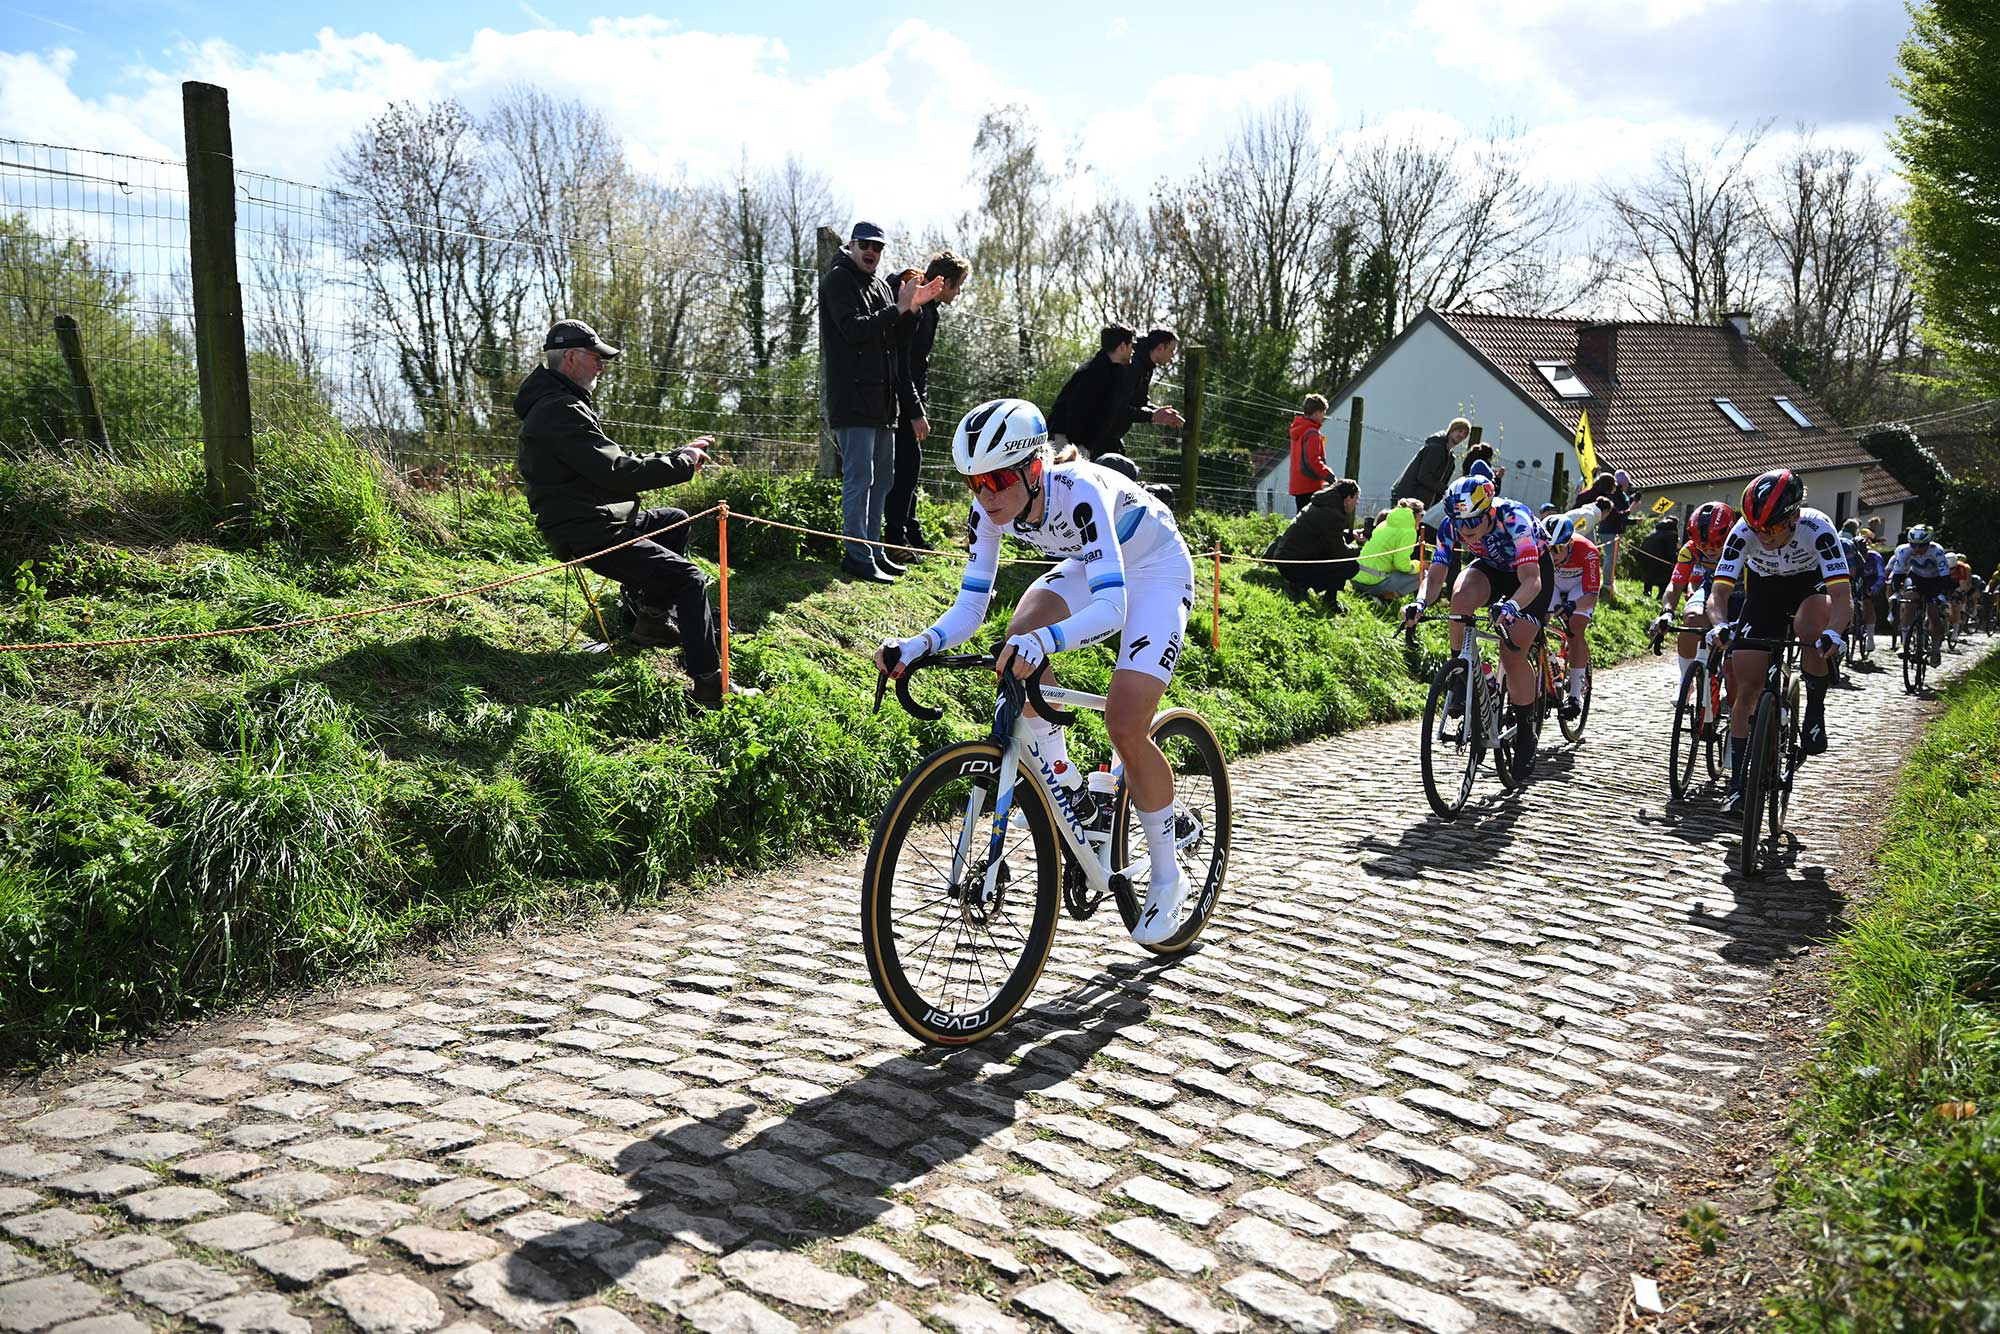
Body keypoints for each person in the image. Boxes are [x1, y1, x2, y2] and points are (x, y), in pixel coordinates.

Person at [876, 398, 1199, 946]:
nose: (985, 496)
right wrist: (918, 644)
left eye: (998, 480)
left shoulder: (1080, 493)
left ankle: (1169, 877)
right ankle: (1069, 788)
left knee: (1124, 724)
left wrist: (1047, 640)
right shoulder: (989, 510)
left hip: (1156, 570)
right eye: (973, 483)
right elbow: (971, 607)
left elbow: (1115, 607)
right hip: (1093, 564)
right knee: (1016, 645)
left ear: (1033, 468)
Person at [514, 319, 751, 706]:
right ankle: (711, 685)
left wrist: (676, 458)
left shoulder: (562, 403)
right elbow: (616, 470)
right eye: (596, 358)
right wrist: (682, 464)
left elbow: (611, 465)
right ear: (571, 357)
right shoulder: (559, 411)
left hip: (599, 516)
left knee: (674, 520)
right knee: (690, 578)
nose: (601, 366)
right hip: (589, 531)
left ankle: (652, 622)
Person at [1706, 469, 1852, 812]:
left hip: (1809, 587)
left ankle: (1815, 706)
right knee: (1746, 686)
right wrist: (1720, 624)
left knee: (1810, 630)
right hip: (1765, 590)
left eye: (1771, 528)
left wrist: (1835, 632)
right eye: (1758, 528)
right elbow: (1719, 593)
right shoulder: (1743, 532)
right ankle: (1739, 781)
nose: (1764, 536)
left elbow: (1842, 595)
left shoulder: (1818, 529)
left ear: (1794, 516)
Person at [1401, 474, 1553, 781]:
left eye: (1473, 523)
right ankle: (1462, 674)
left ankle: (1526, 731)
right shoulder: (1453, 524)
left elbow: (1531, 580)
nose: (1466, 531)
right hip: (1492, 569)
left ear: (1489, 512)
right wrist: (1419, 603)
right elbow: (1437, 573)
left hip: (1529, 576)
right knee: (1460, 596)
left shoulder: (1514, 518)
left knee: (1511, 654)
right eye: (1461, 524)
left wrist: (1511, 606)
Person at [819, 221, 944, 583]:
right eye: (866, 245)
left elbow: (897, 339)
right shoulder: (838, 281)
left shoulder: (878, 285)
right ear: (853, 246)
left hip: (884, 405)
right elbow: (854, 329)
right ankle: (856, 554)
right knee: (860, 479)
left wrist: (914, 308)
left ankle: (873, 550)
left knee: (882, 480)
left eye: (878, 247)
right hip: (854, 401)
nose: (872, 252)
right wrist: (898, 309)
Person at [883, 250, 971, 560]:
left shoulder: (930, 310)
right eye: (958, 286)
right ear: (944, 282)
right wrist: (916, 411)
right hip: (900, 401)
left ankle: (910, 532)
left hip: (909, 398)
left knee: (909, 467)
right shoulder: (920, 310)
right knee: (906, 467)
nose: (958, 293)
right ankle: (895, 539)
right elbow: (904, 363)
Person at [1048, 324, 1183, 464]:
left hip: (1089, 439)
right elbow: (1111, 408)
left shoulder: (1120, 369)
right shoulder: (1103, 372)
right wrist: (1082, 446)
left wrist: (1156, 413)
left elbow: (1123, 406)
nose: (1133, 350)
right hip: (1069, 437)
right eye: (1131, 345)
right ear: (1123, 347)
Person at [1650, 501, 1736, 700]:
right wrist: (1667, 611)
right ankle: (1685, 682)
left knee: (1735, 667)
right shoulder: (1690, 550)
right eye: (1702, 545)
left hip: (1743, 592)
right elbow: (1675, 585)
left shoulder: (1743, 543)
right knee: (1691, 618)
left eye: (1716, 544)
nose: (1709, 550)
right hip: (1712, 588)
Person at [1541, 513, 1601, 715]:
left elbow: (1591, 596)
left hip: (1580, 588)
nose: (1552, 554)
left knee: (1575, 627)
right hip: (1554, 583)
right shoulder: (1542, 550)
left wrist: (1571, 606)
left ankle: (1575, 695)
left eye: (1557, 549)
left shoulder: (1588, 551)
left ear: (1569, 544)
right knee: (1537, 621)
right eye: (1548, 549)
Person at [1266, 479, 1360, 607]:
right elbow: (1339, 552)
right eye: (1357, 498)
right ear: (1348, 499)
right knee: (1350, 565)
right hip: (1294, 566)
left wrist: (1351, 534)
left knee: (1337, 557)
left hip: (1287, 559)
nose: (1357, 502)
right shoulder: (1333, 514)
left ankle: (1310, 588)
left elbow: (1328, 537)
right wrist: (1358, 549)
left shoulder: (1323, 504)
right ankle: (1322, 596)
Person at [1884, 525, 1951, 666]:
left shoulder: (1937, 551)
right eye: (1913, 545)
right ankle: (1904, 641)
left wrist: (1940, 594)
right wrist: (1896, 592)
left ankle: (1936, 648)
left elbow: (1945, 577)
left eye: (1921, 546)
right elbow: (1898, 575)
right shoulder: (1904, 550)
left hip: (1935, 580)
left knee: (1933, 614)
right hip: (1916, 578)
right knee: (1909, 601)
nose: (1916, 549)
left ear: (1929, 543)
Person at [1390, 417, 1471, 508]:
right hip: (1407, 498)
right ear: (1451, 430)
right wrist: (1446, 490)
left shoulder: (1450, 458)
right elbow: (1424, 476)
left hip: (1420, 502)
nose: (1462, 435)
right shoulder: (1436, 449)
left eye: (1465, 433)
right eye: (1459, 431)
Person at [1354, 499, 1425, 602]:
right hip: (1372, 583)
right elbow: (1401, 564)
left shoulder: (1385, 523)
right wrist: (1420, 565)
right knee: (1425, 574)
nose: (1422, 518)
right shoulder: (1408, 531)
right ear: (1416, 515)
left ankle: (1370, 595)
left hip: (1356, 577)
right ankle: (1383, 598)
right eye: (1422, 514)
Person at [1288, 394, 1333, 514]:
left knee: (1301, 521)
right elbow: (1312, 461)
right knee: (1311, 523)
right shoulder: (1312, 433)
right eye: (1323, 412)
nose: (1324, 416)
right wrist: (1329, 475)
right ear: (1316, 413)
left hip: (1298, 484)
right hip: (1310, 484)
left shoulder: (1298, 429)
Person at [1635, 515, 1683, 597]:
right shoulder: (1671, 535)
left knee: (1649, 574)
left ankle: (1647, 591)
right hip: (1659, 563)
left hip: (1644, 561)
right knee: (1668, 572)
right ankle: (1661, 595)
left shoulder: (1652, 532)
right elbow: (1670, 554)